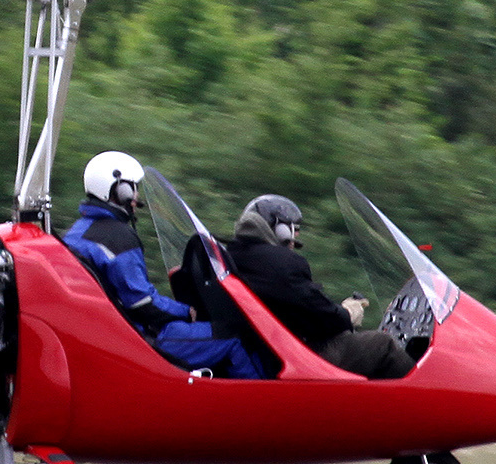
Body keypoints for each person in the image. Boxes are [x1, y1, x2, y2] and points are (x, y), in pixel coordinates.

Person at [63, 152, 262, 379]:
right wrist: (187, 311)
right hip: (140, 336)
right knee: (235, 336)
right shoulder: (117, 237)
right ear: (120, 190)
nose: (136, 196)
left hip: (111, 331)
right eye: (133, 188)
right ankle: (264, 405)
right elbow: (142, 303)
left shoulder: (79, 230)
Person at [224, 194, 415, 380]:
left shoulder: (230, 256)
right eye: (294, 229)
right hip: (296, 357)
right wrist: (348, 313)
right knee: (381, 344)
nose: (295, 237)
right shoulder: (282, 263)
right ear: (281, 230)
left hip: (265, 351)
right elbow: (321, 316)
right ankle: (428, 397)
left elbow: (304, 309)